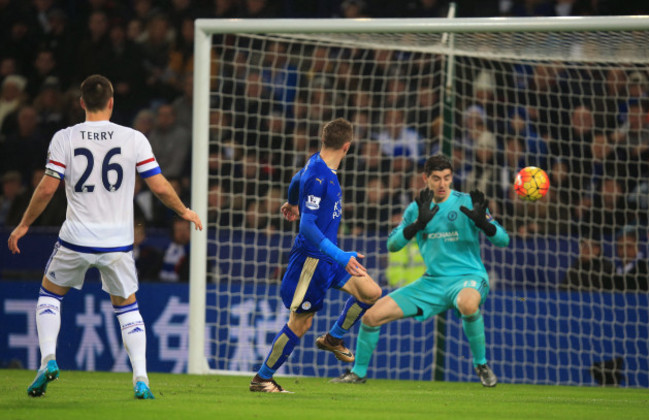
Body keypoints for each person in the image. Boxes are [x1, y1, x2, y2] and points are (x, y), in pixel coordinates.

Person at [7, 75, 202, 399]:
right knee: (127, 308)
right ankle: (141, 378)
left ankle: (48, 361)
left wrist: (24, 223)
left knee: (50, 296)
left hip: (76, 238)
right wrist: (184, 210)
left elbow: (47, 187)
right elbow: (158, 184)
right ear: (111, 102)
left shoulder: (64, 138)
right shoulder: (133, 138)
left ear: (81, 103)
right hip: (118, 241)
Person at [330, 154, 510, 387]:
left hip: (468, 278)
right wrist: (417, 225)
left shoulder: (468, 203)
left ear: (452, 178)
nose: (442, 184)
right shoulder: (417, 208)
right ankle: (358, 373)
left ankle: (481, 364)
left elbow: (503, 240)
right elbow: (392, 245)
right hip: (432, 283)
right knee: (371, 317)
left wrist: (484, 223)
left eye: (447, 178)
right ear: (426, 179)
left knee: (467, 304)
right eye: (436, 178)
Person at [249, 118, 382, 393]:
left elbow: (297, 178)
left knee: (370, 292)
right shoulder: (320, 176)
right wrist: (342, 256)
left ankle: (333, 340)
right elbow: (307, 226)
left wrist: (293, 201)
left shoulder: (316, 164)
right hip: (312, 259)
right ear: (348, 146)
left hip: (329, 257)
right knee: (301, 323)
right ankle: (262, 379)